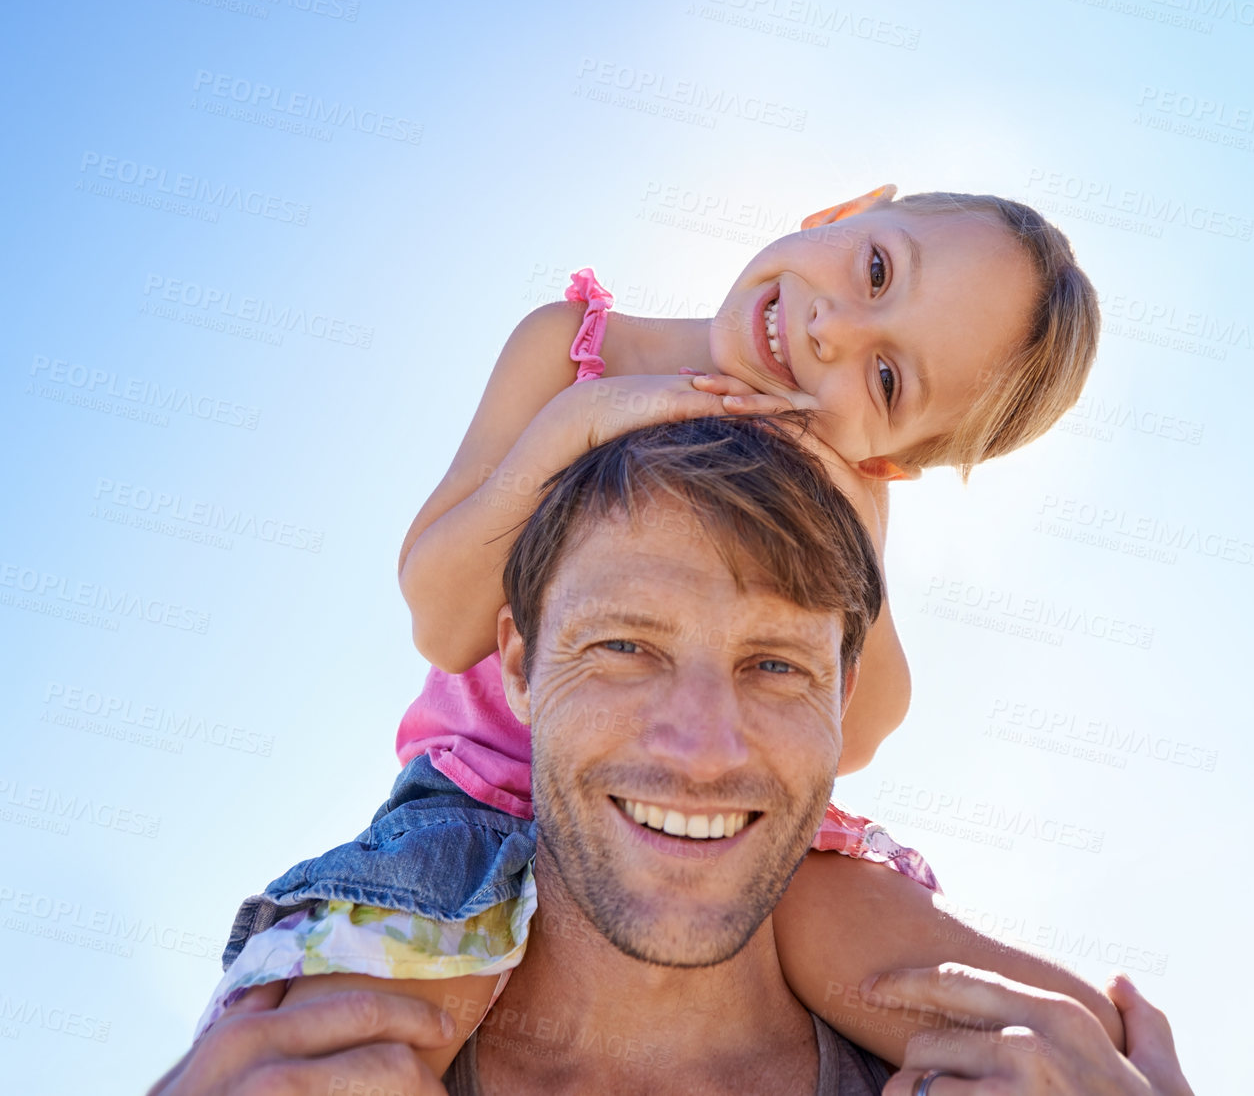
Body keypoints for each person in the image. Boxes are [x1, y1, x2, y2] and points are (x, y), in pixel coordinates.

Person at [201, 186, 1113, 1071]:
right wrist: (575, 425)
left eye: (882, 377)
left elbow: (862, 726)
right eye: (874, 269)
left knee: (979, 1001)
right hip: (476, 799)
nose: (831, 330)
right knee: (349, 1039)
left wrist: (847, 517)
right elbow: (442, 621)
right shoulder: (573, 351)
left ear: (887, 456)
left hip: (734, 824)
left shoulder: (841, 479)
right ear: (841, 209)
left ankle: (1125, 1053)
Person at [150, 418, 1195, 1096]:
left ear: (844, 692)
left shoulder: (993, 1071)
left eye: (776, 665)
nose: (701, 749)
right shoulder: (308, 1049)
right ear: (518, 665)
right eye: (624, 648)